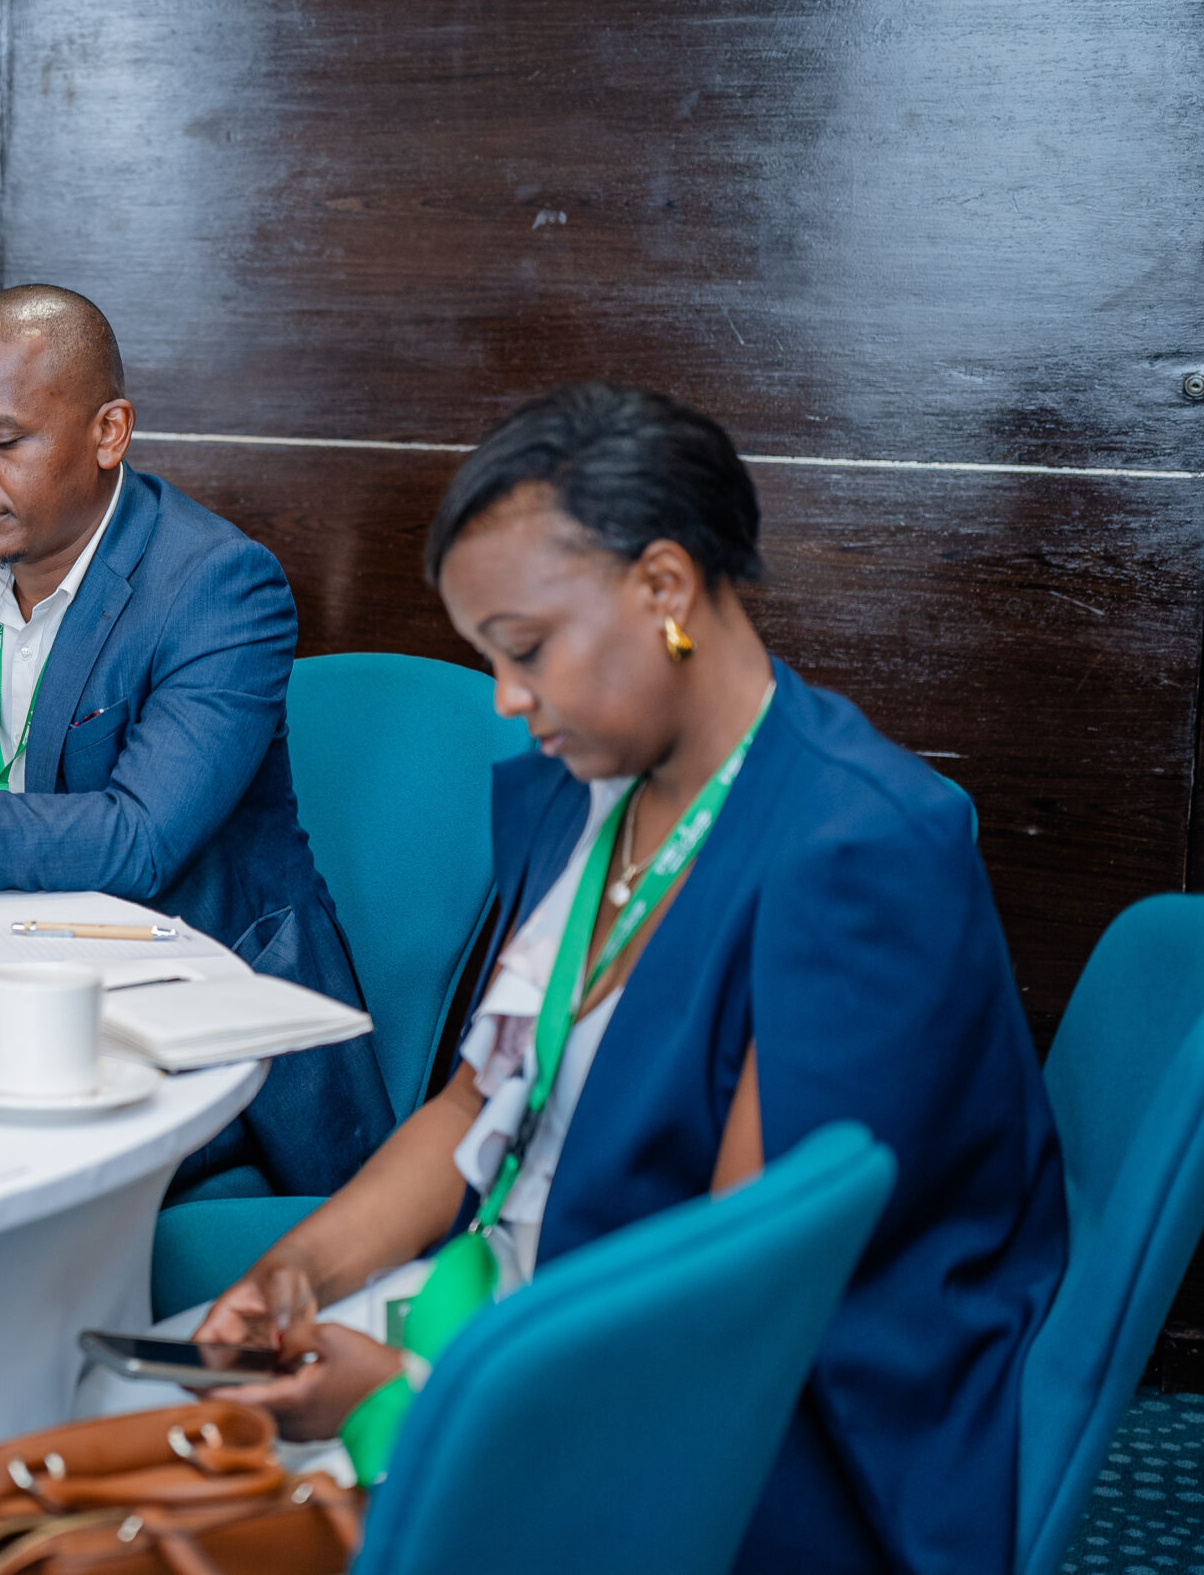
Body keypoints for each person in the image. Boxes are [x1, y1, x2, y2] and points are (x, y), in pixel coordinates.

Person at [114, 383, 1063, 1574]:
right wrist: (295, 1276)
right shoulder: (583, 793)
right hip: (520, 1308)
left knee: (139, 1508)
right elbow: (476, 1104)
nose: (506, 701)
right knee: (114, 1424)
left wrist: (412, 1391)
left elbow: (739, 1293)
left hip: (720, 1432)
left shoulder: (858, 852)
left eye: (525, 651)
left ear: (663, 588)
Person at [0, 285, 396, 1197]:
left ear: (109, 432)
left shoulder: (218, 586)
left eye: (2, 440)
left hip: (178, 1021)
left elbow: (137, 840)